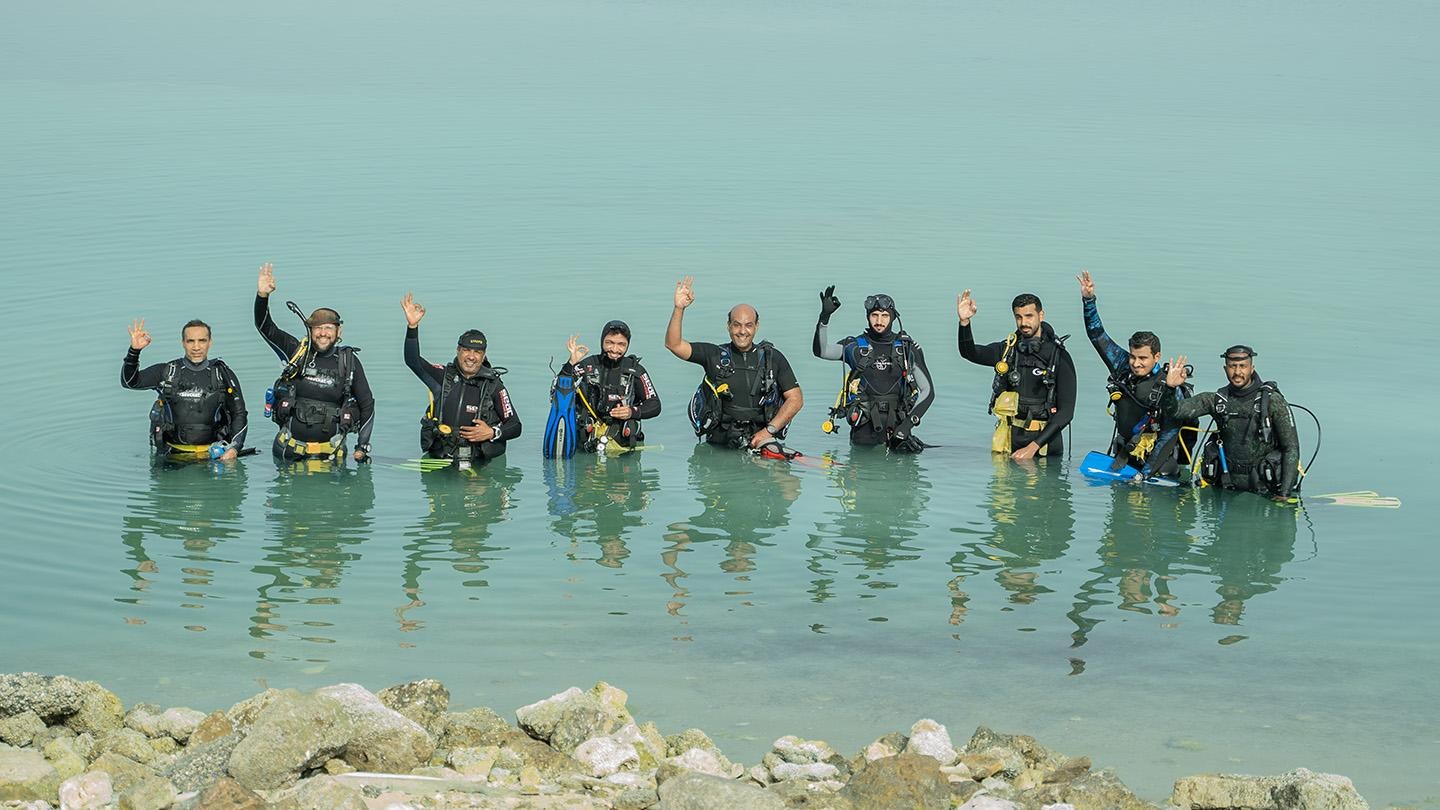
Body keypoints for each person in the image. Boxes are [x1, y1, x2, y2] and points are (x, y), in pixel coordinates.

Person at [254, 262, 375, 462]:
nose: (323, 333)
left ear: (339, 332)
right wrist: (262, 296)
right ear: (310, 331)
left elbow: (367, 404)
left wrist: (362, 446)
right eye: (317, 328)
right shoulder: (296, 352)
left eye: (328, 328)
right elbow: (264, 326)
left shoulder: (348, 361)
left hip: (331, 456)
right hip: (288, 454)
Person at [1077, 270, 1193, 478]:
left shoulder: (1167, 385)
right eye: (1133, 356)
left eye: (1143, 359)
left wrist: (1145, 474)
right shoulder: (1123, 366)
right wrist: (1089, 301)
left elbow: (1169, 434)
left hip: (1158, 463)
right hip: (1123, 456)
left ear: (1157, 357)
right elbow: (1097, 334)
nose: (1136, 364)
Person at [665, 276, 803, 450]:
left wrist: (768, 431)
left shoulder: (773, 358)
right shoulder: (713, 355)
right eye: (737, 325)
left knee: (790, 478)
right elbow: (673, 344)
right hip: (718, 445)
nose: (742, 331)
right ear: (728, 326)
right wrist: (679, 309)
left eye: (748, 325)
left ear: (757, 326)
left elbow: (796, 399)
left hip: (760, 441)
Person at [1161, 346, 1302, 502]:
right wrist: (1170, 388)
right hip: (1225, 489)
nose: (1237, 372)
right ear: (1225, 368)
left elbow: (1291, 448)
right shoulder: (1216, 401)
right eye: (1232, 366)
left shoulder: (1272, 401)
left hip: (1265, 492)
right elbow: (1174, 411)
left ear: (1252, 368)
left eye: (1243, 366)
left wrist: (1284, 494)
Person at [402, 292, 521, 466]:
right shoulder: (443, 376)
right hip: (440, 457)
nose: (471, 357)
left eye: (477, 352)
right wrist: (412, 327)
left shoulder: (494, 386)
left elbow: (515, 425)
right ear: (458, 350)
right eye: (467, 350)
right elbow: (413, 361)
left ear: (483, 356)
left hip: (478, 466)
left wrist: (492, 433)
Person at [812, 287, 934, 452]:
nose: (879, 320)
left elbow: (927, 391)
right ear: (868, 317)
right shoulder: (854, 347)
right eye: (874, 315)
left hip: (899, 434)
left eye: (885, 316)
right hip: (862, 436)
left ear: (892, 317)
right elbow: (822, 351)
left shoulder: (907, 348)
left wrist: (906, 428)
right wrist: (824, 317)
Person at [957, 289, 1076, 459]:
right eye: (1018, 317)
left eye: (1029, 316)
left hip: (1046, 447)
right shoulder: (1008, 350)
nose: (1023, 323)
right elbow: (970, 353)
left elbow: (1066, 412)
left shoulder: (1058, 356)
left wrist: (1032, 448)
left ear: (1041, 315)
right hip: (1009, 441)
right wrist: (964, 323)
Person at [122, 318, 248, 460]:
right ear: (183, 343)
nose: (196, 347)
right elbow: (129, 382)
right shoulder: (167, 372)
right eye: (190, 341)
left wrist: (234, 449)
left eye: (202, 340)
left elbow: (239, 413)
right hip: (172, 458)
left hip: (214, 457)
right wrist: (134, 351)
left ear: (210, 342)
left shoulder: (221, 374)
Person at [554, 320, 661, 453]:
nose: (615, 349)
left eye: (621, 344)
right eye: (609, 342)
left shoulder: (636, 371)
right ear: (602, 341)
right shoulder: (586, 366)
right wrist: (571, 364)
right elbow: (556, 393)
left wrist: (632, 411)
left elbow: (655, 404)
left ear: (628, 345)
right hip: (586, 442)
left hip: (623, 448)